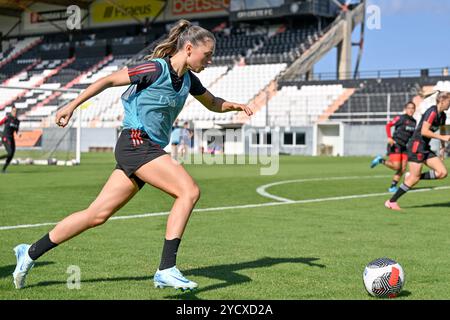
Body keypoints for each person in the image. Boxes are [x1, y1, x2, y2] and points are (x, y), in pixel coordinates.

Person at [12, 19, 253, 290]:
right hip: (136, 142)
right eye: (207, 55)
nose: (210, 61)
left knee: (96, 214)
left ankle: (30, 252)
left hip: (145, 149)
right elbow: (107, 80)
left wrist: (236, 106)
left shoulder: (189, 80)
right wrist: (71, 106)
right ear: (188, 48)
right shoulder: (154, 68)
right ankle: (166, 267)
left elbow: (212, 103)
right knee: (189, 191)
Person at [385, 89, 450, 211]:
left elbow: (442, 129)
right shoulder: (432, 112)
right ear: (441, 100)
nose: (449, 104)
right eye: (449, 101)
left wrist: (442, 146)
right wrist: (442, 137)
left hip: (425, 147)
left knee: (442, 173)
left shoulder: (443, 115)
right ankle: (391, 201)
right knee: (413, 179)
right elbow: (424, 131)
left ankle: (413, 176)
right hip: (416, 146)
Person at [370, 102, 417, 192]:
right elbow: (388, 125)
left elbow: (411, 135)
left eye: (412, 108)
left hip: (404, 146)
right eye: (409, 108)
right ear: (406, 109)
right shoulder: (401, 118)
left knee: (403, 169)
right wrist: (389, 137)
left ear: (414, 110)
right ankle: (381, 160)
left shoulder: (414, 122)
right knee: (396, 167)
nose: (411, 110)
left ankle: (392, 187)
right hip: (395, 144)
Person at [0, 106, 20, 173]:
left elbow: (16, 131)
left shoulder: (17, 121)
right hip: (5, 137)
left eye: (16, 111)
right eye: (14, 111)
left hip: (11, 138)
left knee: (12, 154)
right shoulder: (7, 118)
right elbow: (0, 123)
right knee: (10, 152)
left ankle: (3, 169)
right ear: (11, 111)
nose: (15, 112)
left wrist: (18, 134)